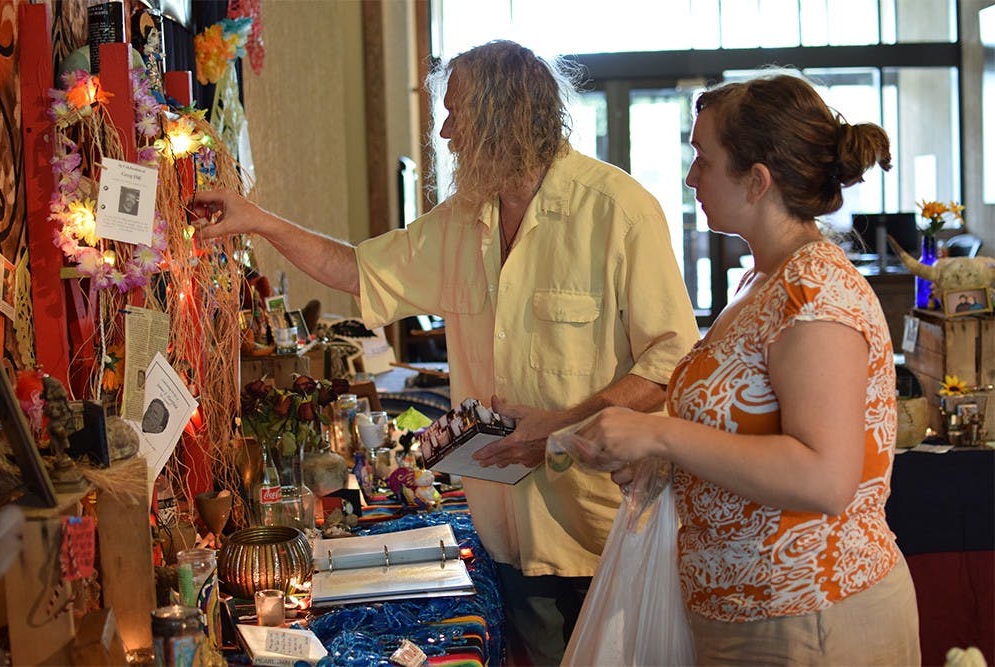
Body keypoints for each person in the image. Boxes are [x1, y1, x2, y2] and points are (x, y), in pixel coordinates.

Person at [192, 39, 698, 665]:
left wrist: (561, 425)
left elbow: (671, 363)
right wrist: (258, 220)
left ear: (501, 117)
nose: (445, 130)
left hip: (602, 527)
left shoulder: (619, 213)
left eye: (456, 112)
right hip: (508, 528)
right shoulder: (464, 219)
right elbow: (354, 269)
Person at [565, 73, 920, 665]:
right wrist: (664, 460)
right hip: (749, 611)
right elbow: (747, 436)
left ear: (757, 181)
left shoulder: (815, 291)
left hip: (810, 615)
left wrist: (660, 432)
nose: (690, 177)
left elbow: (823, 477)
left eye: (702, 159)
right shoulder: (760, 280)